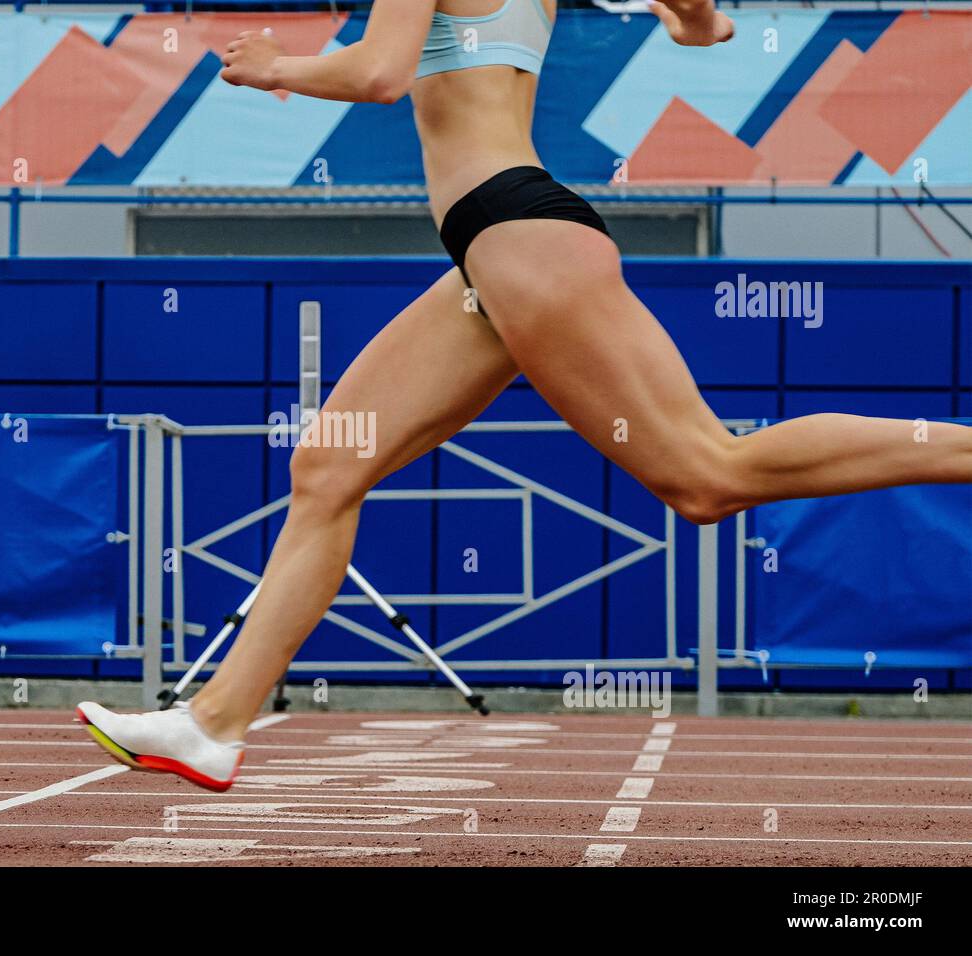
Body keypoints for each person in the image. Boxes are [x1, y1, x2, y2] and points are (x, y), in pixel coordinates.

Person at [77, 0, 972, 791]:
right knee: (330, 460)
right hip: (497, 245)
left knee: (708, 476)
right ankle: (216, 724)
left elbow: (383, 73)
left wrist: (279, 68)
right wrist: (696, 22)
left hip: (518, 237)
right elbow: (707, 18)